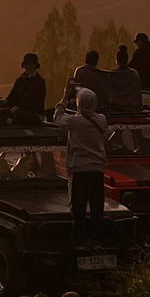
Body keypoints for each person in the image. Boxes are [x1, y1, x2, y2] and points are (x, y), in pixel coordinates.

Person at [53, 88, 107, 241]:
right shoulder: (102, 119)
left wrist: (64, 98)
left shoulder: (74, 121)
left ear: (79, 103)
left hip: (79, 170)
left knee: (78, 210)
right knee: (97, 211)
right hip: (97, 170)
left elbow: (57, 118)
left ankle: (79, 241)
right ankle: (97, 242)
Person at [1, 53, 47, 120]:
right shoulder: (19, 80)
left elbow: (35, 102)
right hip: (17, 110)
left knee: (21, 116)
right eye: (27, 65)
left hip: (34, 113)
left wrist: (19, 107)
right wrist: (4, 107)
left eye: (31, 65)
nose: (29, 67)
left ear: (35, 66)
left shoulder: (39, 82)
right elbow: (12, 97)